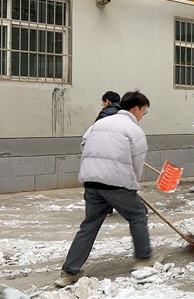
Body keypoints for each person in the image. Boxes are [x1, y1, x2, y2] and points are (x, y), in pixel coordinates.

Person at [55, 91, 162, 287]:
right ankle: (144, 259)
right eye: (144, 111)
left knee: (90, 224)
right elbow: (137, 163)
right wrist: (132, 183)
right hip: (116, 182)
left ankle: (68, 272)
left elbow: (84, 142)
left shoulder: (100, 123)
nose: (143, 115)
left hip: (91, 181)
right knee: (138, 213)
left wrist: (95, 165)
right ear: (136, 108)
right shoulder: (134, 130)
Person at [95, 90, 121, 216]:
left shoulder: (104, 114)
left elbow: (95, 132)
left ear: (107, 101)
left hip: (106, 152)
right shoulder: (124, 113)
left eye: (103, 102)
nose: (103, 105)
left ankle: (107, 208)